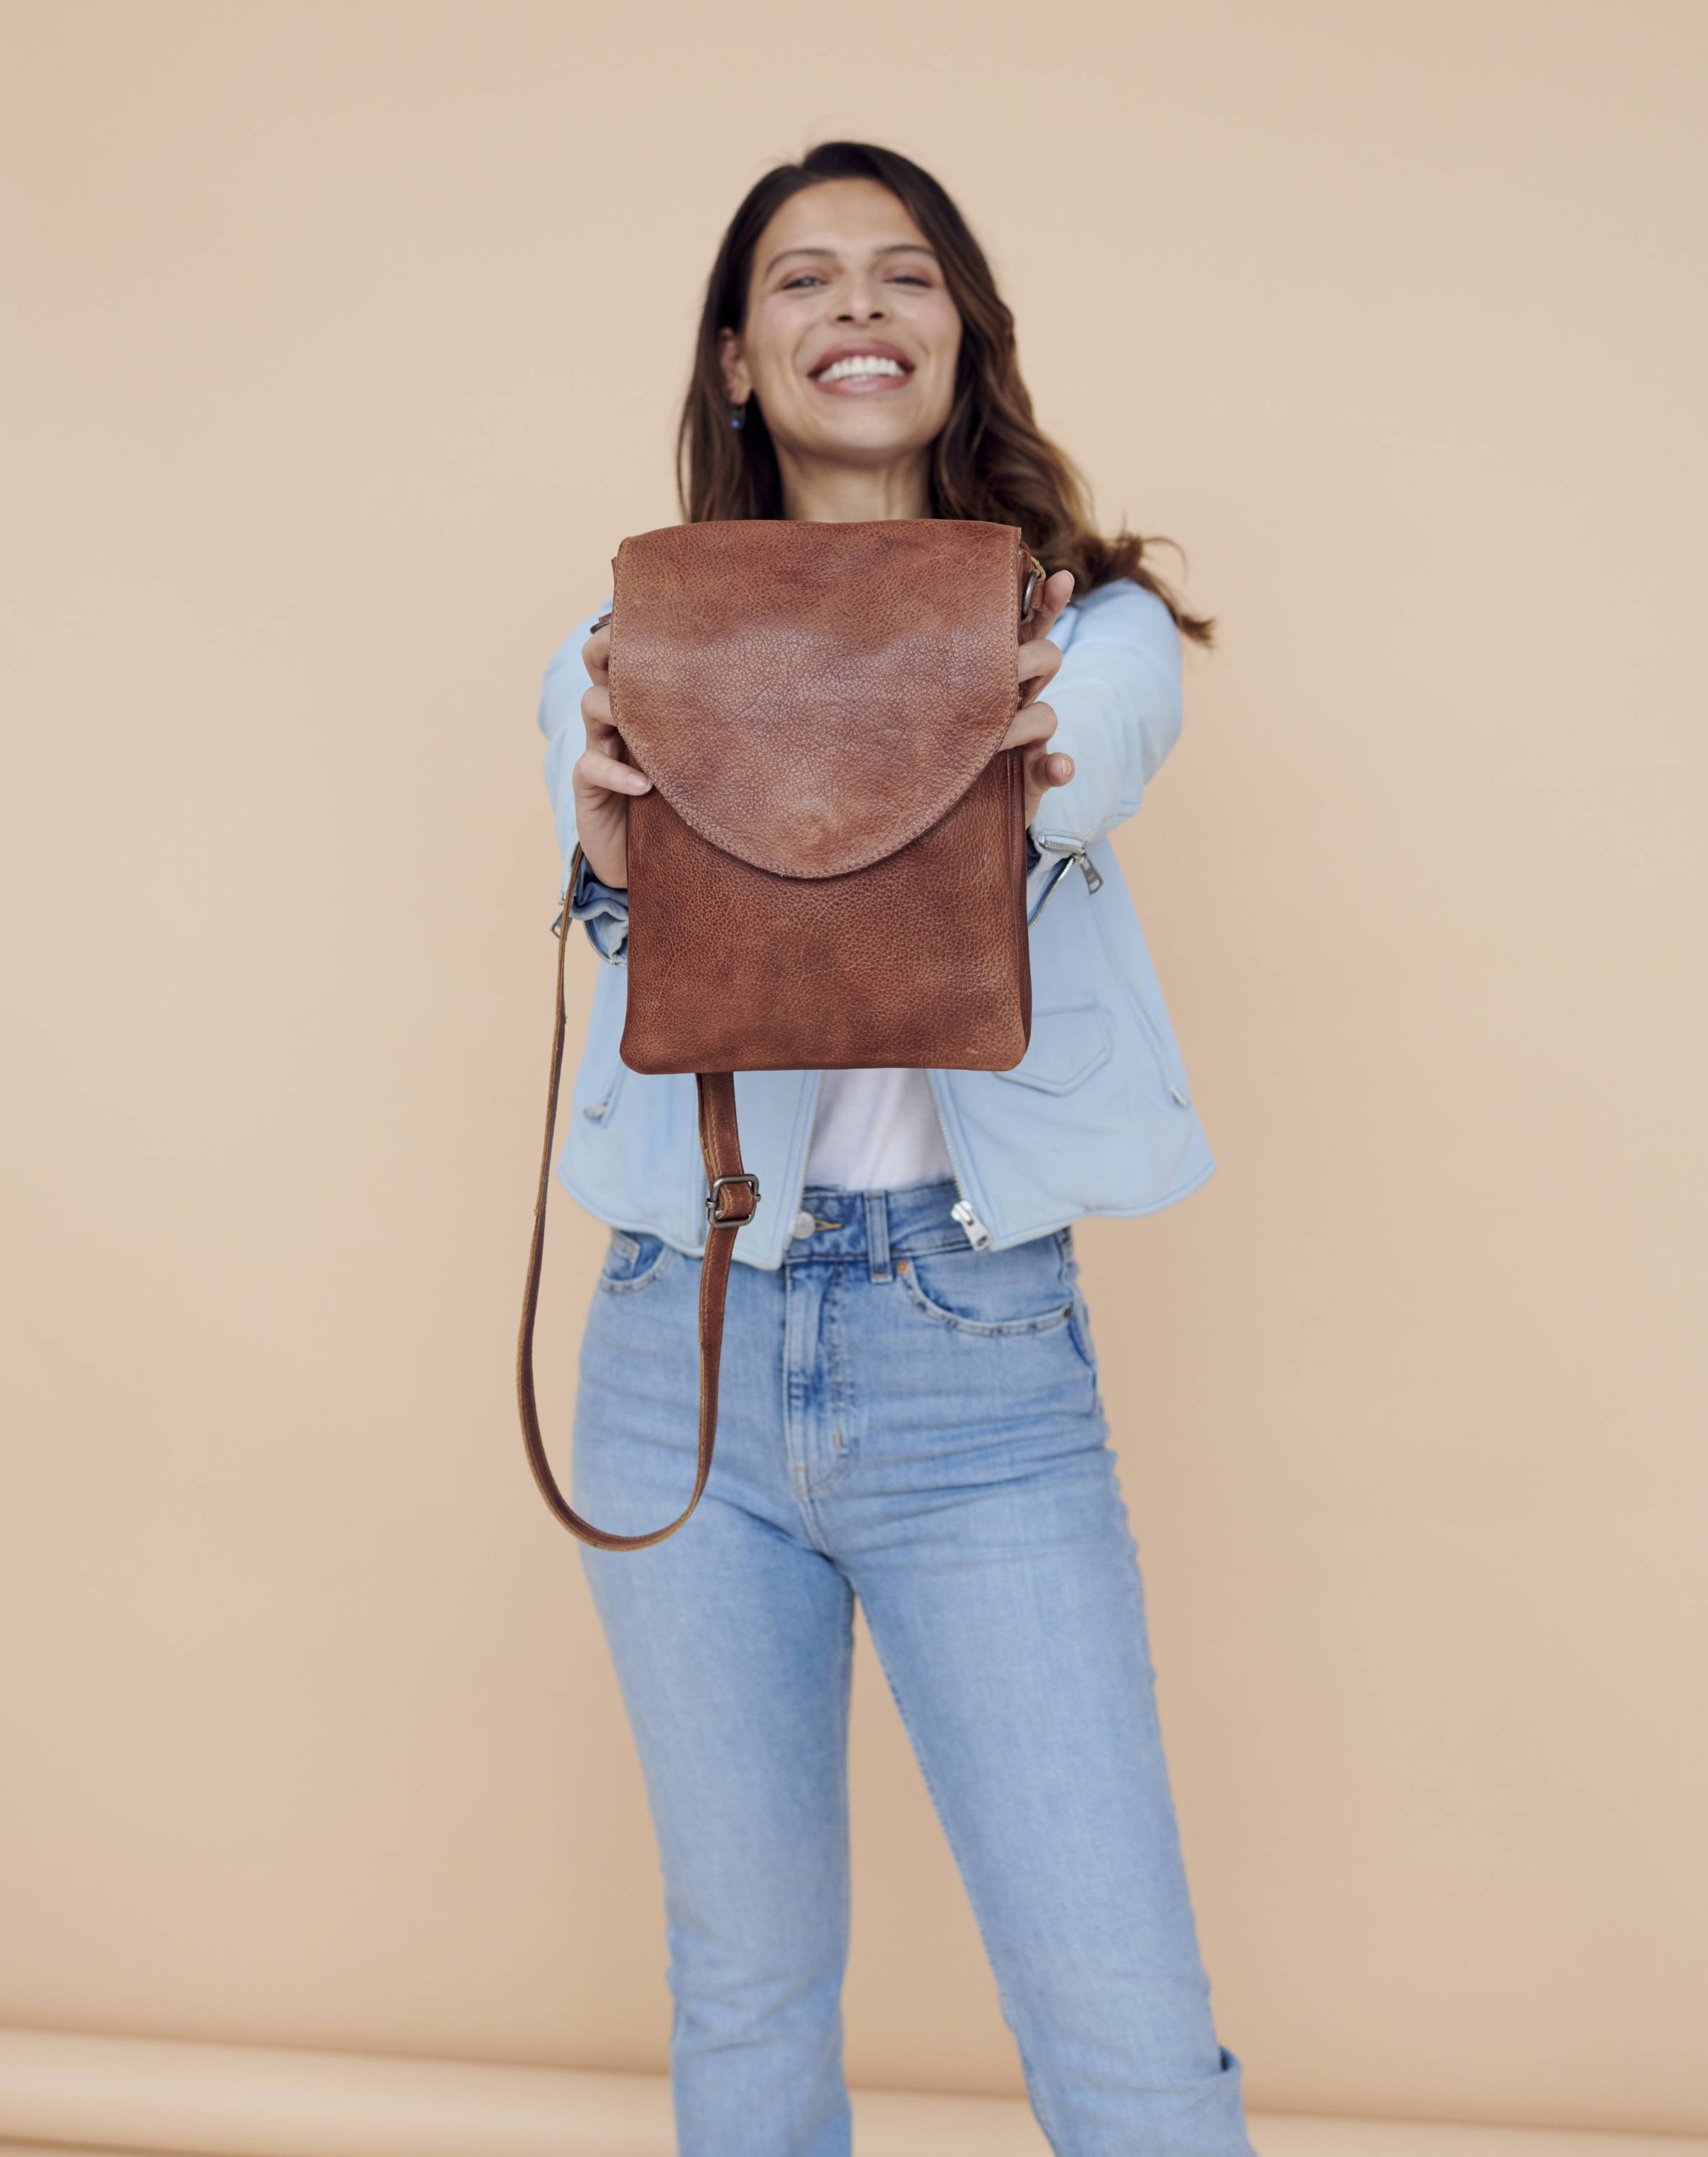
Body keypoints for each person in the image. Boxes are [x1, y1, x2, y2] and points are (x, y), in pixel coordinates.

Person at [535, 139, 1255, 2157]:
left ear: (962, 338)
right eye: (803, 280)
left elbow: (1084, 755)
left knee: (1123, 2031)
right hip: (680, 1342)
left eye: (905, 273)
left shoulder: (1085, 630)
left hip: (975, 1354)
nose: (858, 303)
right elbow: (572, 781)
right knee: (748, 1996)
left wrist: (899, 739)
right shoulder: (622, 637)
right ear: (744, 361)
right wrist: (606, 829)